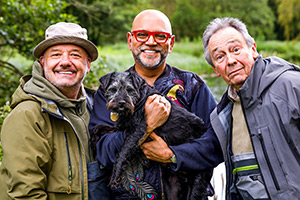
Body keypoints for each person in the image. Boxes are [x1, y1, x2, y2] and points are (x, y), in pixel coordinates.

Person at [88, 9, 222, 199]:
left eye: (160, 36)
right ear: (130, 40)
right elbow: (103, 153)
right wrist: (148, 123)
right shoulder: (109, 91)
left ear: (171, 43)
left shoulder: (192, 85)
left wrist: (173, 155)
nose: (151, 42)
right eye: (142, 35)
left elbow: (217, 145)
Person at [202, 17, 300, 199]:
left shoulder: (292, 86)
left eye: (235, 49)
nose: (230, 60)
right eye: (220, 56)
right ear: (216, 69)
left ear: (253, 49)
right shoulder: (223, 114)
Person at [0, 22, 99, 199]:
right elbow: (26, 195)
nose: (65, 62)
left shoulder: (96, 108)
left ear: (88, 64)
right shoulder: (28, 115)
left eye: (75, 55)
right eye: (56, 55)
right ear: (43, 62)